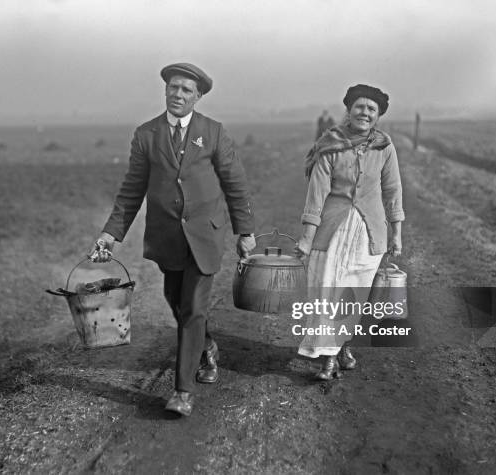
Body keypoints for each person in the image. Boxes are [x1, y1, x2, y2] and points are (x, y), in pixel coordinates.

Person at [90, 63, 256, 416]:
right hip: (168, 238)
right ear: (165, 90)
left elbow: (235, 185)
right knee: (176, 300)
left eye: (186, 91)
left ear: (197, 97)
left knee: (193, 307)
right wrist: (110, 234)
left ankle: (183, 390)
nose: (178, 95)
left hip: (205, 235)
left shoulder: (213, 133)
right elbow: (132, 190)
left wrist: (246, 231)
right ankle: (207, 346)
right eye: (173, 88)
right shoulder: (146, 134)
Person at [294, 84, 404, 380]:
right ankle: (328, 357)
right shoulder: (330, 144)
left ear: (378, 115)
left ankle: (341, 346)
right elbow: (316, 194)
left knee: (353, 295)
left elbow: (393, 190)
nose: (364, 113)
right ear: (349, 109)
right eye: (359, 107)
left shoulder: (385, 147)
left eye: (371, 109)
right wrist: (306, 237)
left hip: (369, 235)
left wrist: (396, 232)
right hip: (333, 231)